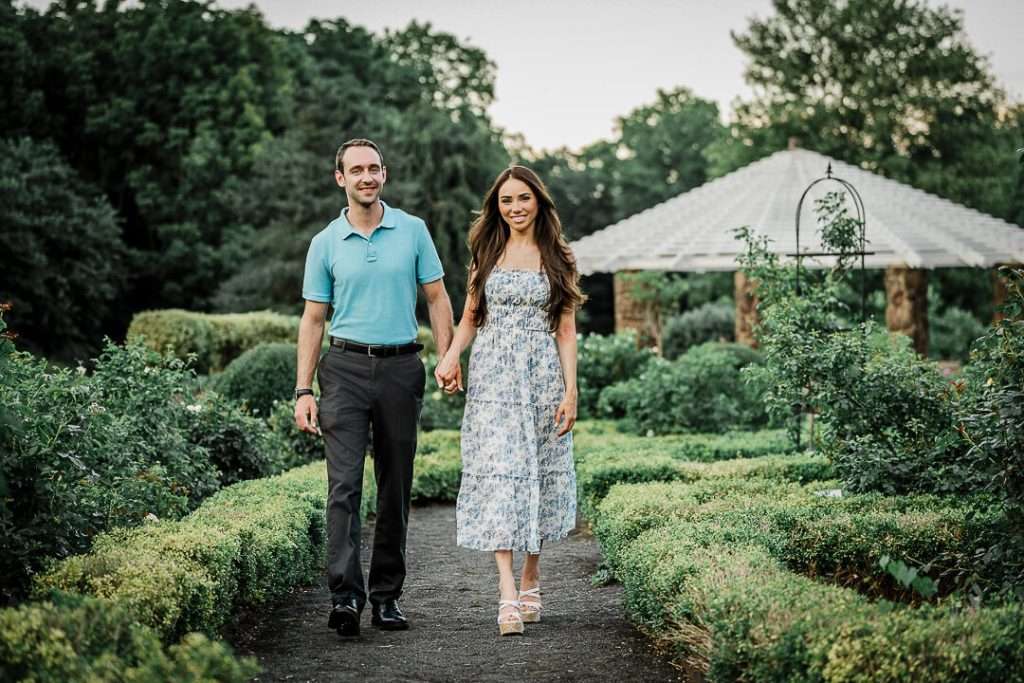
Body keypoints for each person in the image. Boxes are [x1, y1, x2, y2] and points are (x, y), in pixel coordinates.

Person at [294, 138, 457, 638]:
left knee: (395, 486)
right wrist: (303, 390)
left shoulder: (412, 231)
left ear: (383, 174)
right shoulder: (325, 242)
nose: (366, 177)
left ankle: (386, 598)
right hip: (342, 369)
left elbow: (437, 297)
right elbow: (313, 319)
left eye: (374, 169)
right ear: (339, 178)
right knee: (343, 487)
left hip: (400, 368)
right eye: (356, 170)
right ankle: (345, 597)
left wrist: (449, 358)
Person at [435, 165, 585, 636]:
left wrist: (570, 389)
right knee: (501, 477)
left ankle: (531, 576)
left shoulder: (559, 256)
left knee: (538, 472)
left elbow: (565, 329)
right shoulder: (487, 251)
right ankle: (506, 593)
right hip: (494, 381)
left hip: (541, 376)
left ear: (538, 201)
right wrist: (450, 357)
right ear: (496, 207)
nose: (515, 208)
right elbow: (471, 317)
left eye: (523, 199)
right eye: (506, 201)